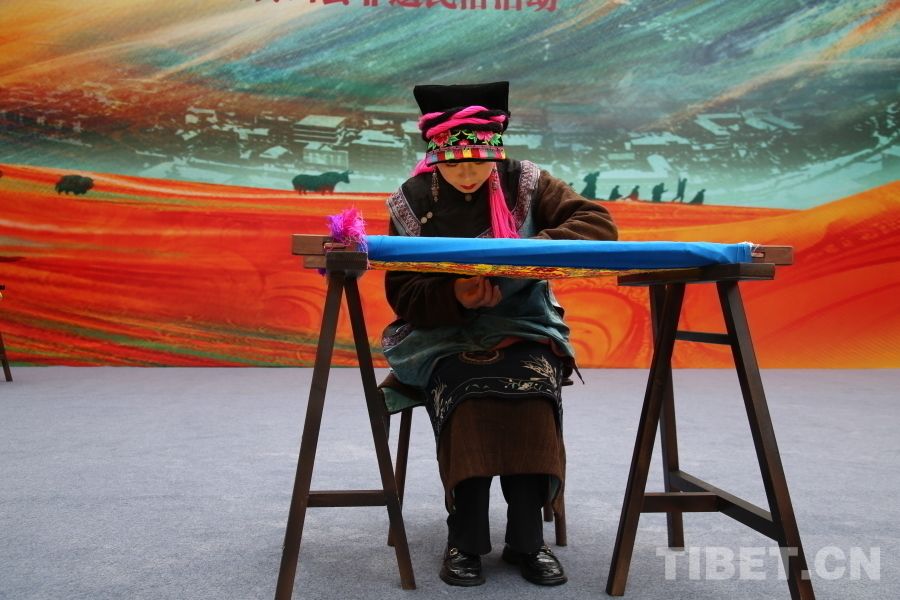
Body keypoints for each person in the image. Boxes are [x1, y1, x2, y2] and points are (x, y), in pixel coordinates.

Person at [378, 82, 618, 587]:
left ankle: (528, 542)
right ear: (433, 156)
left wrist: (519, 259)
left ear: (497, 151)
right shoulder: (410, 201)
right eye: (454, 164)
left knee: (530, 394)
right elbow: (403, 293)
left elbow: (597, 225)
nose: (467, 174)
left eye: (479, 162)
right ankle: (464, 540)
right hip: (443, 336)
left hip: (524, 326)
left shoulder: (527, 181)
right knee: (468, 397)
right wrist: (457, 296)